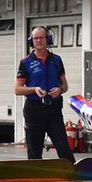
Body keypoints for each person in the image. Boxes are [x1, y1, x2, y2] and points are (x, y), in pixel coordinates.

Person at [15, 26, 75, 162]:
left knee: (63, 147)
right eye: (35, 38)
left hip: (53, 109)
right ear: (31, 41)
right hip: (34, 109)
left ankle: (74, 176)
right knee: (34, 150)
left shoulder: (57, 60)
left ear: (48, 39)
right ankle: (35, 180)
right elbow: (17, 89)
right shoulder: (26, 62)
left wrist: (60, 90)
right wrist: (34, 89)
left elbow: (65, 85)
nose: (38, 41)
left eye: (41, 38)